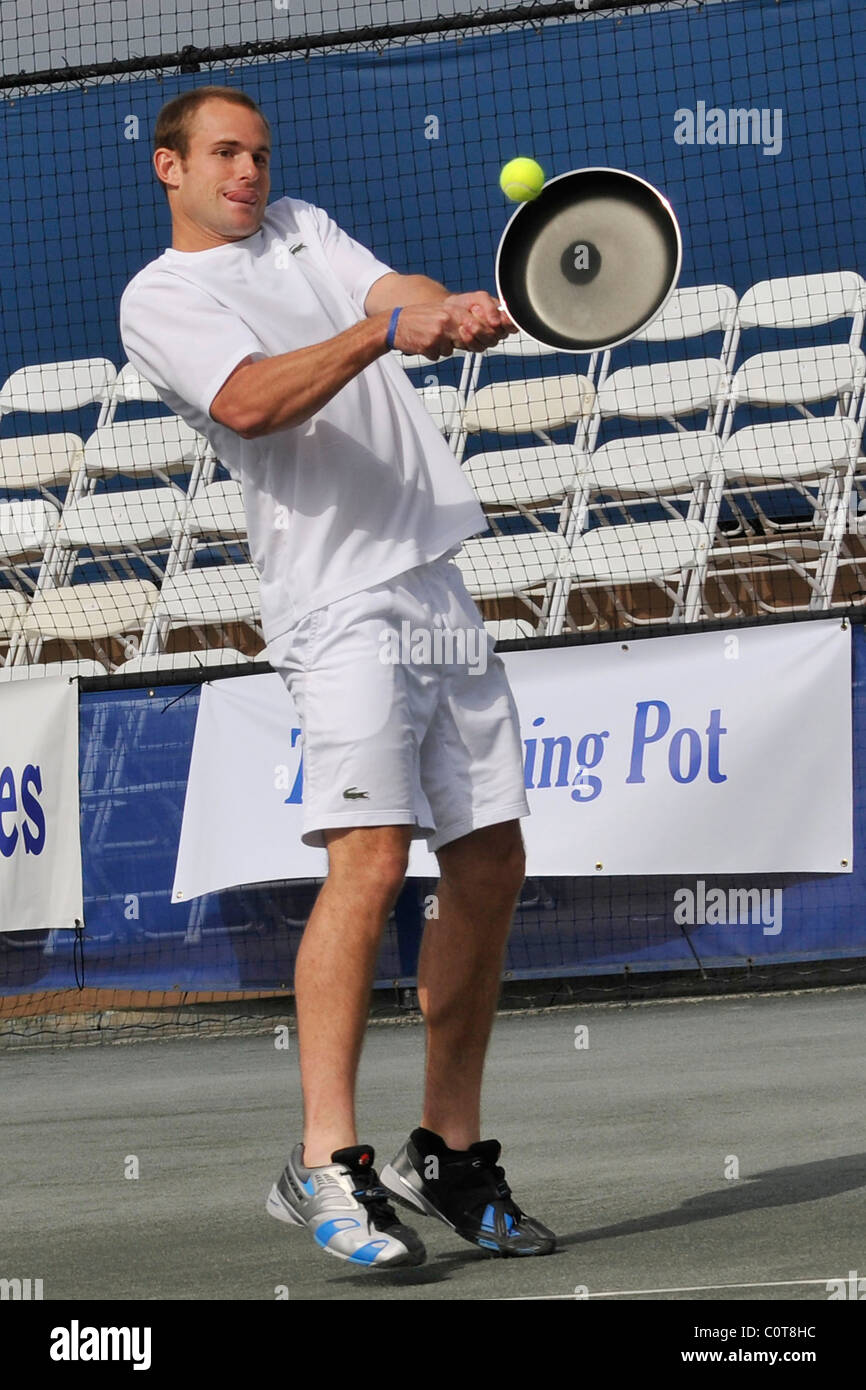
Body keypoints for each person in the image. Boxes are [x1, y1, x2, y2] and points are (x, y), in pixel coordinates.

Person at [120, 85, 556, 1268]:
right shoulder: (162, 296)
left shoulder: (304, 226)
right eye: (222, 154)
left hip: (431, 580)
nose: (248, 172)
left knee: (490, 855)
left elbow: (391, 295)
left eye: (258, 152)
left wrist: (447, 310)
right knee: (367, 860)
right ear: (169, 168)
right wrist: (383, 335)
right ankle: (323, 1160)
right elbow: (253, 402)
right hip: (336, 602)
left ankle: (450, 1154)